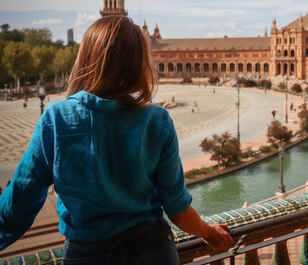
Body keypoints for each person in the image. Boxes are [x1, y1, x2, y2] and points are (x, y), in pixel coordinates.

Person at [0, 17, 233, 264]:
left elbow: (18, 203)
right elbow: (178, 210)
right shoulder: (157, 120)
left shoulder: (56, 120)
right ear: (138, 65)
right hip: (153, 252)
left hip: (87, 254)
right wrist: (209, 233)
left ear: (85, 60)